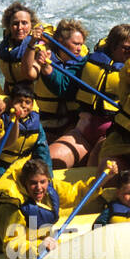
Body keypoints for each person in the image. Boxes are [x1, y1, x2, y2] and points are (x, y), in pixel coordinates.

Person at [52, 23, 130, 169]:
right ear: (113, 47)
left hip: (112, 139)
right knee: (51, 160)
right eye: (127, 48)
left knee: (95, 166)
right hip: (83, 132)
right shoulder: (90, 61)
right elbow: (65, 86)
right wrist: (46, 68)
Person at [0, 158, 117, 259]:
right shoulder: (11, 206)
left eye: (42, 182)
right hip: (3, 248)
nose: (39, 187)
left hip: (39, 238)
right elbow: (12, 246)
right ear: (25, 183)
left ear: (47, 180)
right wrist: (38, 248)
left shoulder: (51, 189)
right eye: (33, 183)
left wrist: (103, 179)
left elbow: (77, 194)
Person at [33, 18, 88, 161]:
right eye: (75, 44)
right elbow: (28, 73)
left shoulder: (83, 63)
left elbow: (65, 89)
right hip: (46, 122)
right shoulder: (43, 56)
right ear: (61, 42)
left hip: (71, 122)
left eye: (81, 44)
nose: (79, 48)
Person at [0, 83, 51, 179]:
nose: (23, 106)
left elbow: (43, 152)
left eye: (27, 102)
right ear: (11, 102)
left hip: (24, 166)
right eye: (19, 101)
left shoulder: (36, 124)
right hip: (2, 166)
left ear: (32, 105)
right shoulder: (2, 120)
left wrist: (48, 176)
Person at [0, 1, 41, 89]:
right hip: (13, 97)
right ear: (9, 26)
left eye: (24, 23)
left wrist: (31, 43)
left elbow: (30, 75)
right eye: (15, 24)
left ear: (31, 25)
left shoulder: (38, 46)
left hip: (30, 98)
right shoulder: (6, 46)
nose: (20, 27)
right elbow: (8, 79)